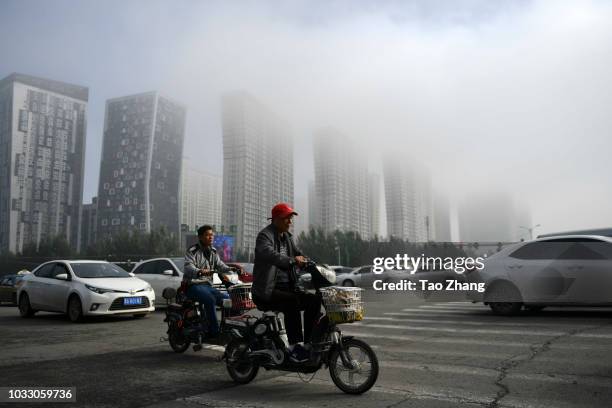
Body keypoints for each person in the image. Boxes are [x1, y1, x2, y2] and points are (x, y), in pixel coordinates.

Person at [252, 203, 322, 362]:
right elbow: (270, 254)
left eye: (291, 218)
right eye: (287, 218)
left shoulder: (288, 238)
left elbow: (299, 255)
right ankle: (294, 347)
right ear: (276, 219)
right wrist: (292, 261)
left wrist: (312, 264)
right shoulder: (265, 236)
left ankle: (309, 344)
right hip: (266, 290)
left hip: (287, 287)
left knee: (314, 300)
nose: (290, 222)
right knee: (292, 302)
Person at [184, 225, 232, 337]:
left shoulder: (213, 251)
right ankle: (213, 332)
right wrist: (199, 271)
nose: (210, 237)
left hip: (208, 285)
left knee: (228, 299)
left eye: (212, 235)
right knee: (210, 299)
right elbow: (188, 267)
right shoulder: (192, 251)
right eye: (207, 235)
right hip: (193, 285)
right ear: (200, 237)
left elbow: (220, 265)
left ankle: (227, 328)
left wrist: (233, 268)